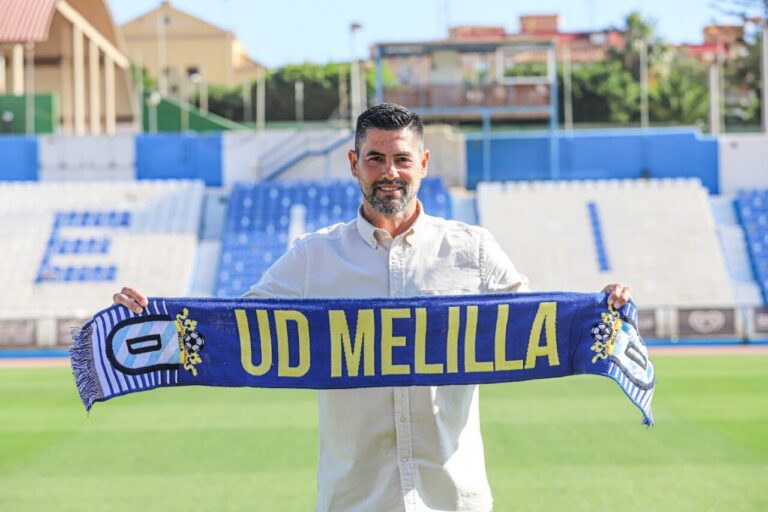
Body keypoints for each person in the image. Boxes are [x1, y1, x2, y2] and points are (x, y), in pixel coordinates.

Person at [114, 103, 632, 512]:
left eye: (403, 159)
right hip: (354, 498)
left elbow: (536, 325)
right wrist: (154, 317)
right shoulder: (314, 256)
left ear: (423, 165)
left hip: (454, 498)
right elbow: (237, 329)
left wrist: (599, 309)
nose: (390, 172)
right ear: (354, 164)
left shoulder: (472, 251)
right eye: (376, 158)